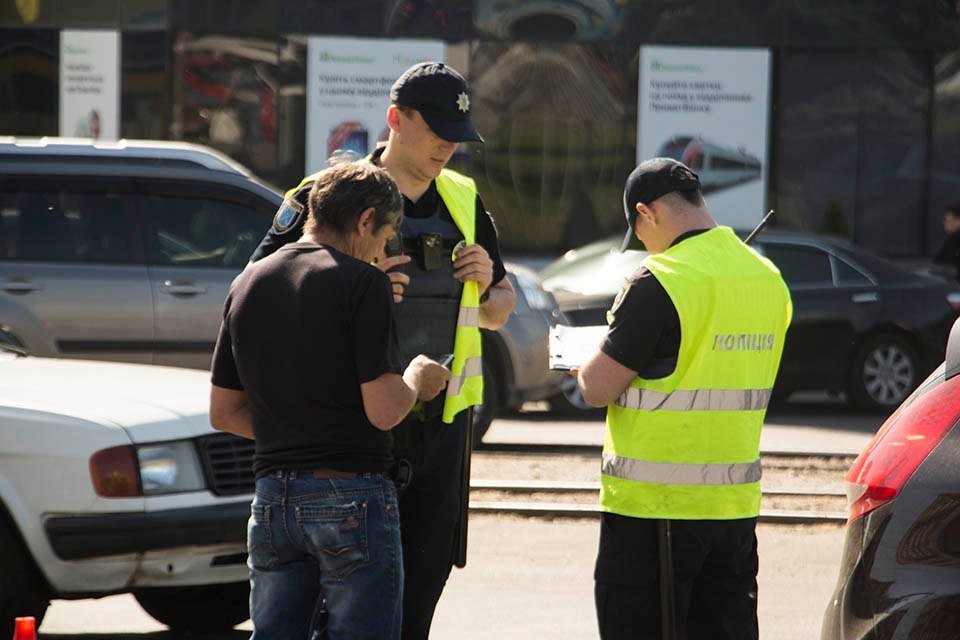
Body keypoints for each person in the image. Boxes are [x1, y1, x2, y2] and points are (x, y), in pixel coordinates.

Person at [248, 61, 516, 639]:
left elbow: (499, 311)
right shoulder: (327, 197)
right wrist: (354, 278)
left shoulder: (465, 200)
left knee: (417, 596)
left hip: (440, 428)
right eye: (437, 128)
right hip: (350, 431)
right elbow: (261, 294)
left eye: (458, 134)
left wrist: (489, 280)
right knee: (337, 610)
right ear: (395, 119)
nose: (449, 144)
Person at [208, 161, 452, 639]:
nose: (384, 251)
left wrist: (298, 428)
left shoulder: (248, 282)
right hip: (350, 496)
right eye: (386, 237)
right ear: (365, 221)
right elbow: (384, 410)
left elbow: (225, 412)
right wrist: (417, 377)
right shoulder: (363, 283)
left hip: (272, 501)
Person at [575, 158, 792, 640]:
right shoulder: (769, 278)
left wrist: (585, 358)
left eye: (639, 233)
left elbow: (595, 387)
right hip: (733, 511)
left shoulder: (658, 281)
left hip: (653, 514)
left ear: (646, 213)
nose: (643, 247)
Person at [933, 204, 960, 281]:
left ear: (958, 220)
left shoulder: (956, 240)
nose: (944, 223)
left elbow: (944, 264)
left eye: (946, 220)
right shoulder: (954, 239)